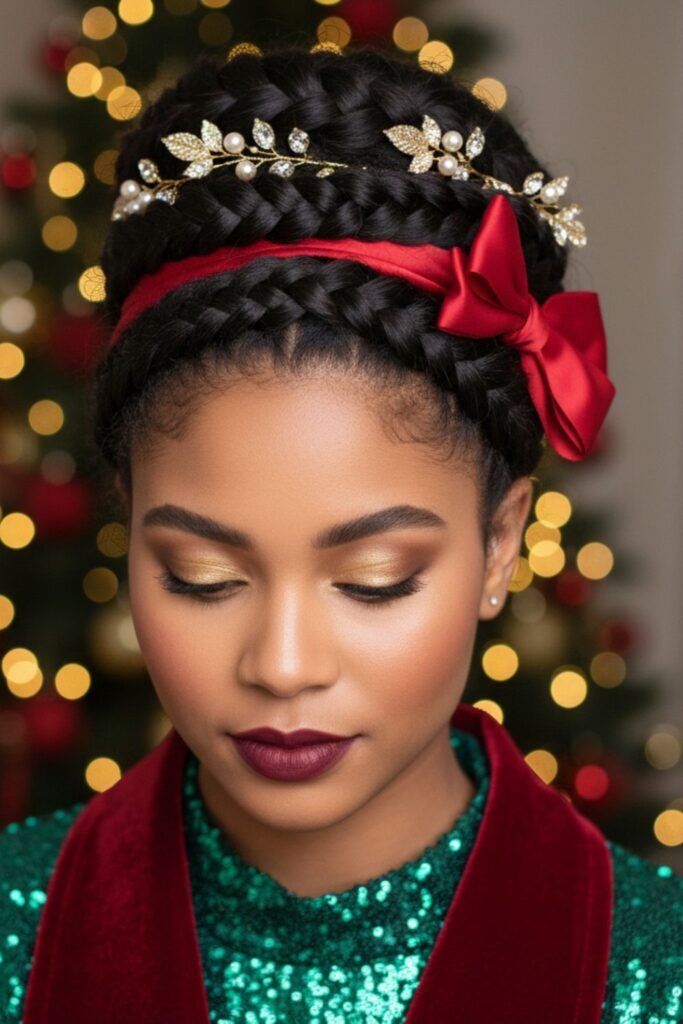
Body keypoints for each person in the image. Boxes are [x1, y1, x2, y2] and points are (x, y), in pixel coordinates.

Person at [1, 44, 681, 1024]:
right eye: (199, 574)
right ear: (126, 519)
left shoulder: (651, 970)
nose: (283, 666)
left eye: (372, 577)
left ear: (498, 545)